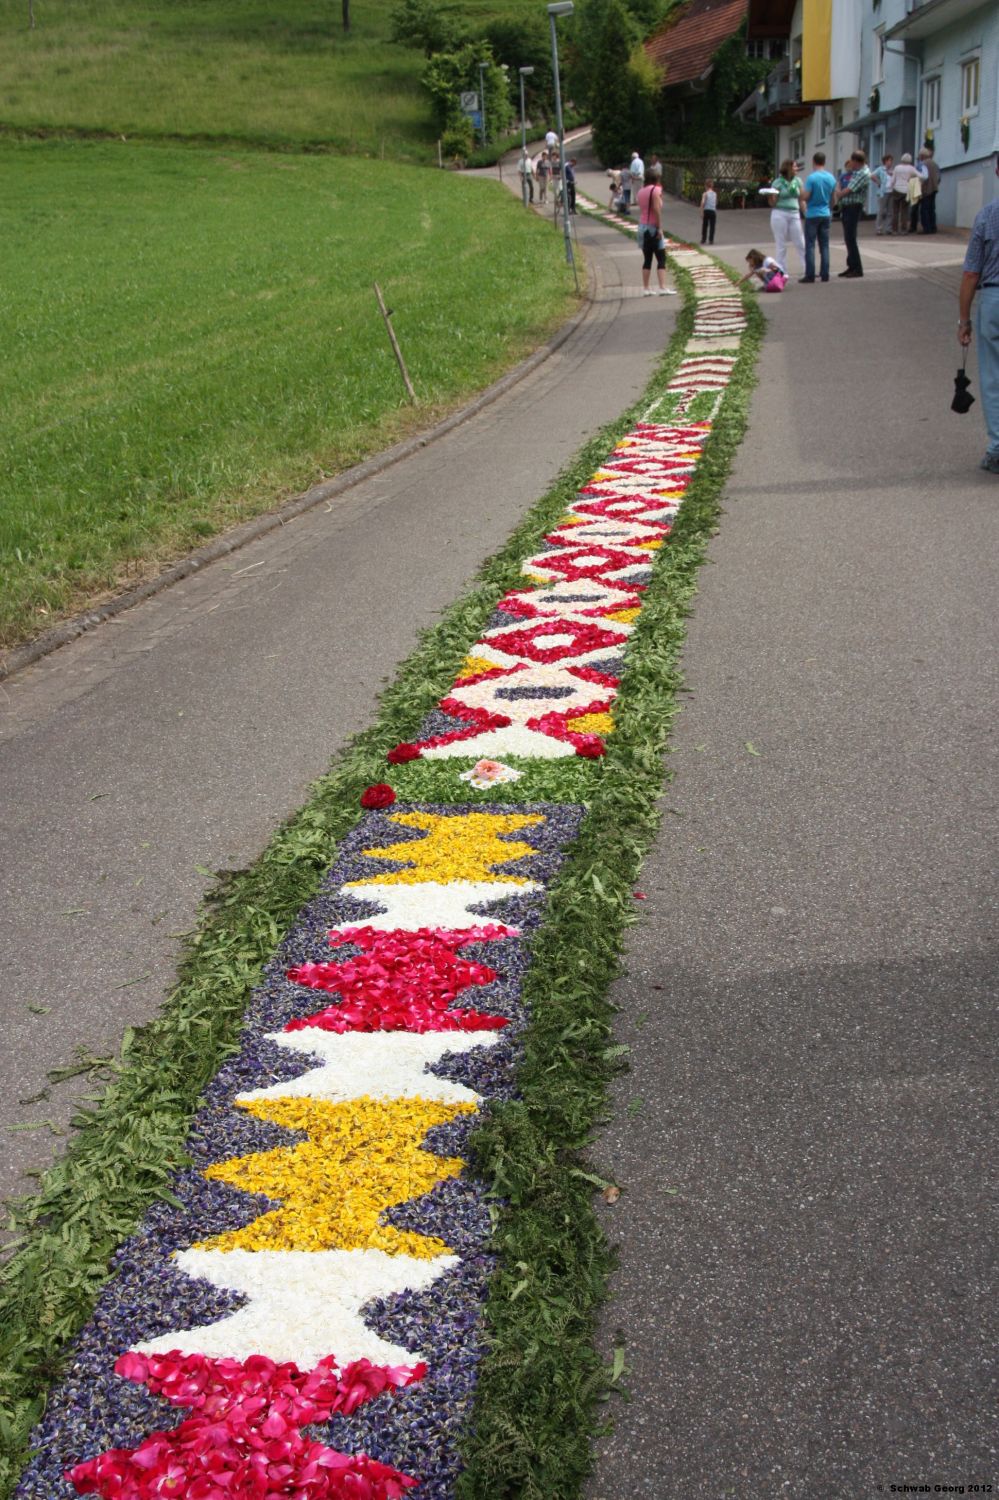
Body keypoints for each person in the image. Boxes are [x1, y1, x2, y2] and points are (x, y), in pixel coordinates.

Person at [957, 152, 999, 473]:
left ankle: (998, 448)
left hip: (993, 301)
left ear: (996, 171)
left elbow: (971, 273)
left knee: (993, 377)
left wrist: (964, 319)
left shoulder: (987, 216)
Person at [636, 167, 677, 297]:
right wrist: (659, 228)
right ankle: (662, 287)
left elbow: (643, 208)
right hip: (653, 227)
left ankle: (646, 288)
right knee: (661, 258)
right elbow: (656, 209)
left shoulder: (640, 191)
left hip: (642, 227)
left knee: (647, 259)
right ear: (656, 179)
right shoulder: (656, 190)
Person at [832, 149, 871, 278]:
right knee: (848, 238)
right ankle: (851, 266)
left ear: (856, 161)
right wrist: (839, 189)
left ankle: (857, 268)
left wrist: (839, 193)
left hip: (854, 207)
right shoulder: (857, 171)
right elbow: (842, 181)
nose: (851, 165)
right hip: (848, 207)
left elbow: (847, 190)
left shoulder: (862, 173)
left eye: (852, 162)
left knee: (851, 238)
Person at [800, 150, 837, 283]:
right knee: (825, 245)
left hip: (812, 214)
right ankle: (825, 274)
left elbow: (807, 196)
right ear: (824, 162)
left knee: (810, 245)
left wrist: (801, 196)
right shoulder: (831, 178)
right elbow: (834, 198)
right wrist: (830, 209)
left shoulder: (812, 178)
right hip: (826, 213)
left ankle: (810, 275)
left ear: (813, 162)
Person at [769, 157, 806, 273]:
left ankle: (808, 269)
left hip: (794, 213)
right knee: (781, 245)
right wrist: (770, 196)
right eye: (795, 166)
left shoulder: (798, 181)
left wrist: (806, 213)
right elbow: (773, 203)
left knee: (801, 242)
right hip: (780, 213)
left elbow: (802, 199)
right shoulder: (777, 182)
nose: (797, 169)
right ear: (788, 168)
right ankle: (782, 271)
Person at [890, 153, 919, 234]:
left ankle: (894, 230)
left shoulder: (897, 167)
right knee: (904, 211)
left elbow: (892, 180)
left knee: (895, 211)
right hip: (906, 190)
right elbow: (921, 176)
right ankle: (903, 229)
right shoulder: (911, 168)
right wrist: (913, 178)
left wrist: (891, 187)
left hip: (896, 189)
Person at [918, 146, 940, 234]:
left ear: (922, 156)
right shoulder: (935, 164)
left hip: (926, 189)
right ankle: (933, 227)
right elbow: (939, 176)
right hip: (934, 188)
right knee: (932, 208)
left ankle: (927, 228)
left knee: (924, 209)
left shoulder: (922, 164)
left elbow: (920, 177)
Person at [872, 153, 894, 235]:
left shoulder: (892, 170)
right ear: (885, 161)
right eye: (889, 161)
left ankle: (888, 228)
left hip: (891, 191)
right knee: (881, 211)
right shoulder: (881, 169)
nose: (890, 162)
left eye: (891, 161)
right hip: (883, 192)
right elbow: (872, 175)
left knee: (890, 211)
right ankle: (879, 228)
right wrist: (878, 182)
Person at [700, 179, 717, 245]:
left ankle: (703, 239)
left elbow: (703, 203)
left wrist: (701, 211)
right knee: (712, 226)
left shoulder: (705, 194)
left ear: (706, 186)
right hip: (713, 211)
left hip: (706, 211)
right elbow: (715, 203)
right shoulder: (715, 194)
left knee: (705, 225)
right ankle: (711, 240)